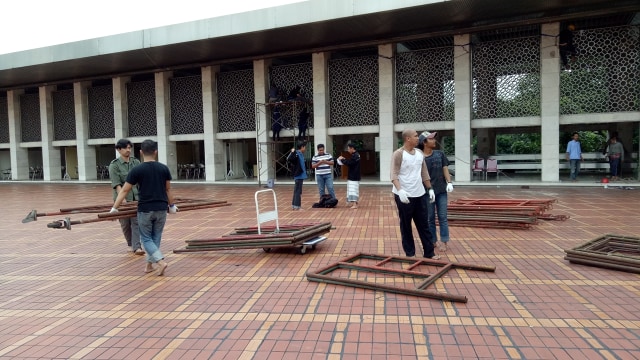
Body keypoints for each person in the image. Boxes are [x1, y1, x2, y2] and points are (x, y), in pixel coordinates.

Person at [111, 139, 177, 276]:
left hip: (145, 209)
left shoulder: (137, 169)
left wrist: (115, 208)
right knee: (156, 237)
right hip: (161, 208)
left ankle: (160, 261)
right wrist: (172, 206)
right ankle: (148, 265)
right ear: (156, 152)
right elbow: (168, 190)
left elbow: (124, 190)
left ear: (141, 152)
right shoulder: (164, 168)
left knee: (146, 239)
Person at [391, 129, 438, 259]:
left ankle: (429, 253)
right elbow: (393, 174)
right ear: (408, 139)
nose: (418, 138)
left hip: (419, 194)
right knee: (406, 225)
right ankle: (410, 254)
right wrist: (400, 190)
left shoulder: (419, 153)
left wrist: (430, 189)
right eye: (416, 136)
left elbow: (424, 173)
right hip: (404, 195)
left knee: (424, 224)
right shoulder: (398, 154)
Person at [417, 131, 453, 252]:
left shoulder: (440, 154)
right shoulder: (419, 157)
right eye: (431, 139)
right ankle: (433, 241)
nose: (434, 141)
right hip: (427, 192)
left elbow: (445, 169)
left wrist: (449, 182)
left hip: (441, 190)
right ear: (424, 143)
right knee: (430, 217)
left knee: (442, 216)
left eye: (433, 139)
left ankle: (444, 241)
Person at [108, 139, 144, 255]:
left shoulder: (136, 162)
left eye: (130, 148)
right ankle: (130, 244)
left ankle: (137, 247)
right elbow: (117, 184)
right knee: (125, 224)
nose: (128, 150)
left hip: (136, 198)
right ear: (119, 149)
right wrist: (122, 201)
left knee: (136, 222)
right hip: (122, 199)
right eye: (126, 148)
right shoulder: (114, 165)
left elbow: (141, 181)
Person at [337, 143, 361, 209]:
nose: (348, 150)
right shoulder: (355, 155)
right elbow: (349, 161)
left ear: (352, 148)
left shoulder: (356, 155)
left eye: (348, 149)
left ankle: (355, 204)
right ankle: (355, 203)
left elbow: (349, 163)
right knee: (353, 189)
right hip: (354, 175)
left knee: (353, 189)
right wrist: (344, 159)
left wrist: (342, 159)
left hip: (354, 176)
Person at [287, 141, 307, 210]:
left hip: (301, 175)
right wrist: (292, 152)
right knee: (298, 191)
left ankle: (294, 205)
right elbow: (289, 159)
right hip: (298, 175)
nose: (305, 148)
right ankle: (297, 206)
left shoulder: (301, 154)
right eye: (304, 147)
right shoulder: (296, 153)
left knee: (297, 191)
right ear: (302, 147)